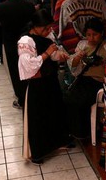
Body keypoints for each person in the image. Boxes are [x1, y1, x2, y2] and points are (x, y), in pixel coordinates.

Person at [18, 10, 69, 164]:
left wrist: (60, 56)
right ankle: (38, 152)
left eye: (49, 28)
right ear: (36, 26)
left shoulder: (46, 36)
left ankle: (56, 143)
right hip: (36, 84)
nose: (49, 31)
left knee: (54, 111)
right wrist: (47, 53)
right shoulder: (26, 41)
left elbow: (54, 54)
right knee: (37, 117)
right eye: (46, 28)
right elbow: (29, 66)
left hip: (50, 80)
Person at [65, 17, 106, 139]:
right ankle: (75, 131)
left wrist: (105, 64)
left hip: (99, 82)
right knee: (69, 99)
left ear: (101, 33)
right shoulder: (82, 45)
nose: (91, 38)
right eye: (88, 35)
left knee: (81, 101)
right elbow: (74, 67)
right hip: (84, 80)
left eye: (95, 34)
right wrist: (77, 58)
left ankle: (84, 132)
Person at [0, 0, 36, 108]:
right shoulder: (29, 5)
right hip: (27, 43)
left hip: (11, 43)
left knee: (15, 70)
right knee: (30, 68)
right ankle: (32, 97)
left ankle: (22, 99)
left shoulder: (1, 7)